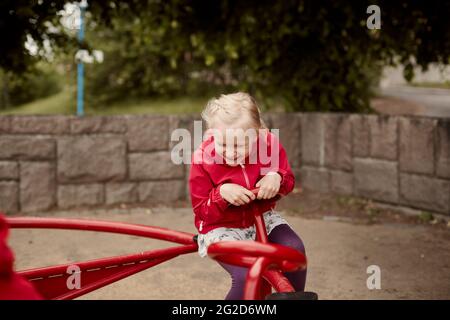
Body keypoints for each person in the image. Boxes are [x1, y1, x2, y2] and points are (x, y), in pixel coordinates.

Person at [188, 92, 307, 299]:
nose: (231, 152)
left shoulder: (268, 144)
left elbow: (288, 181)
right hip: (221, 227)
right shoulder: (202, 159)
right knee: (247, 274)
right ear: (210, 135)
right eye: (223, 144)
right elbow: (202, 212)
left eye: (239, 145)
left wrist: (276, 177)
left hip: (261, 218)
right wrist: (221, 194)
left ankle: (291, 298)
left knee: (294, 250)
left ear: (257, 133)